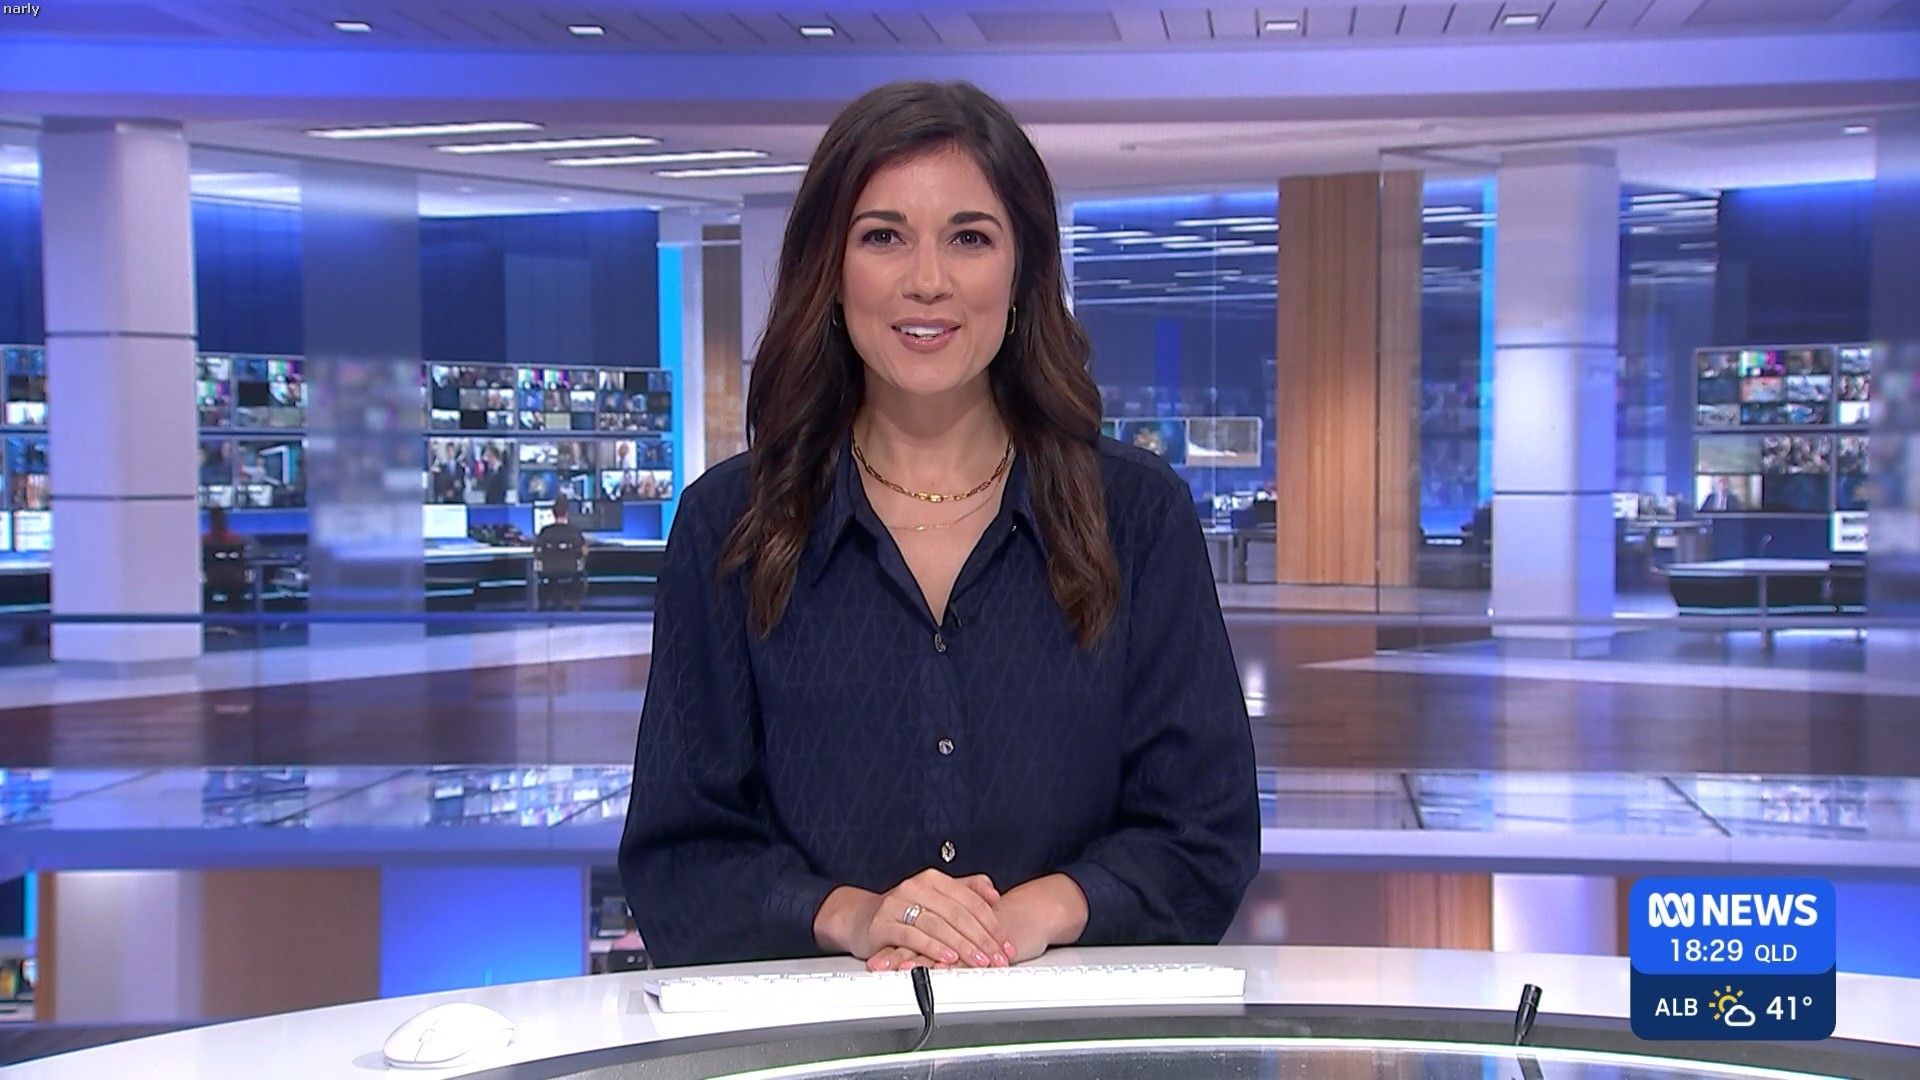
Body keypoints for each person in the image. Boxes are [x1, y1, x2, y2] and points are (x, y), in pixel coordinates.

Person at [619, 81, 1259, 972]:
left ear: (1022, 270)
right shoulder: (728, 523)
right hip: (822, 1033)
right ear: (830, 268)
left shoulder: (1138, 516)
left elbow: (1204, 836)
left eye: (969, 238)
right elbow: (677, 863)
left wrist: (1030, 915)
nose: (928, 280)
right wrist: (858, 917)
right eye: (883, 236)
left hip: (1067, 1031)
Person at [534, 493, 589, 611]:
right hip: (571, 570)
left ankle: (551, 603)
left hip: (548, 571)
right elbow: (585, 552)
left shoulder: (545, 531)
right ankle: (574, 604)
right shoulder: (574, 531)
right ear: (567, 512)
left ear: (553, 512)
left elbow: (536, 551)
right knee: (581, 575)